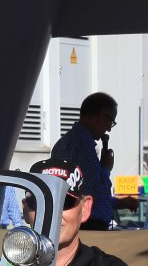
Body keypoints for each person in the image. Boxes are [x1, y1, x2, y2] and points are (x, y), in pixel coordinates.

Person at [29, 157, 131, 266]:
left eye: (64, 202)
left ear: (85, 209)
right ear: (25, 209)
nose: (53, 212)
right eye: (40, 201)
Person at [52, 91, 139, 231]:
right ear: (100, 116)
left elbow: (81, 195)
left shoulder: (62, 143)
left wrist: (118, 203)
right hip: (89, 226)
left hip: (70, 222)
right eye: (110, 121)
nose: (108, 129)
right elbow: (93, 195)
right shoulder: (83, 146)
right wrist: (105, 168)